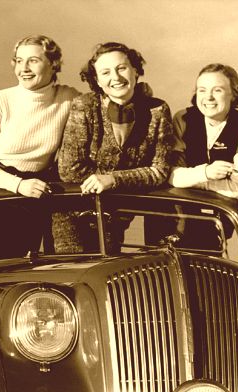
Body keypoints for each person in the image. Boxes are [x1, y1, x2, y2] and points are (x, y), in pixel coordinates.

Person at [56, 41, 173, 252]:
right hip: (73, 213)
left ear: (136, 71)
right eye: (106, 72)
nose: (116, 78)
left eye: (121, 68)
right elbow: (69, 170)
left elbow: (159, 170)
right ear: (97, 80)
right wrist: (125, 180)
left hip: (115, 217)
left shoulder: (157, 109)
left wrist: (113, 180)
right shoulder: (84, 106)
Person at [0, 35, 79, 199]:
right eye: (18, 61)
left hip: (37, 188)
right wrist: (18, 184)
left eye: (33, 61)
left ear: (53, 64)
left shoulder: (68, 98)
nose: (23, 68)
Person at [169, 63, 238, 200]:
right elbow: (171, 176)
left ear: (233, 94)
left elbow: (237, 188)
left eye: (217, 90)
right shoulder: (183, 119)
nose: (208, 97)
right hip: (183, 209)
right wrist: (206, 173)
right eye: (202, 90)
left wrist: (190, 180)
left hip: (221, 213)